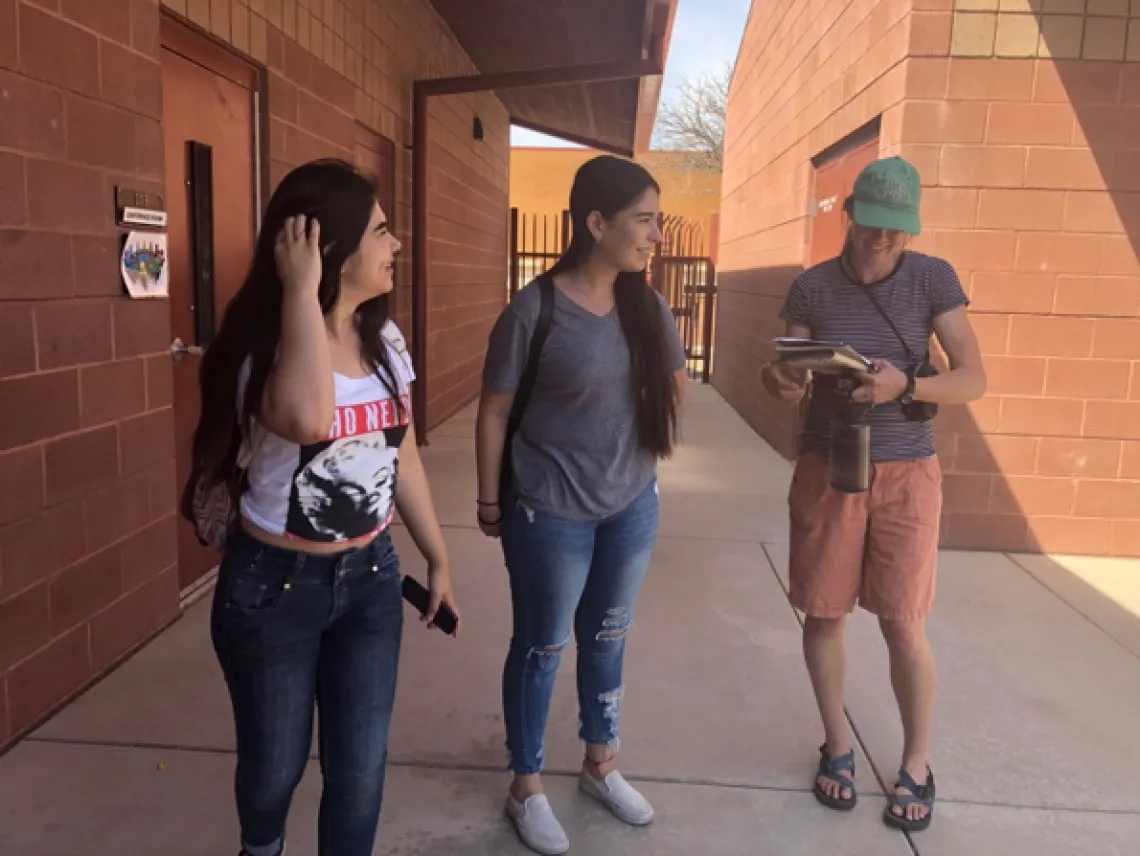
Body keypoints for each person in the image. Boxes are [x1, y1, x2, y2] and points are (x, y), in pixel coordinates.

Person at [184, 158, 459, 856]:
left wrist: (438, 553)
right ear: (327, 248)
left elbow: (403, 453)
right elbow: (308, 419)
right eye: (381, 231)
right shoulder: (266, 350)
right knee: (274, 772)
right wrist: (302, 293)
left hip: (369, 579)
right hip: (274, 588)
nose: (395, 246)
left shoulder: (385, 342)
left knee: (360, 775)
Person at [761, 156, 986, 833]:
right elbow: (782, 365)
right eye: (872, 226)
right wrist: (784, 381)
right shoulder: (811, 287)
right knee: (824, 613)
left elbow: (972, 377)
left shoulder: (933, 279)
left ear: (909, 230)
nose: (882, 240)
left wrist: (907, 387)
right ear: (850, 215)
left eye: (896, 230)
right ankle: (837, 745)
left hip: (907, 472)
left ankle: (916, 761)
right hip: (829, 463)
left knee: (902, 622)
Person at [475, 155, 687, 855]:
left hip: (630, 506)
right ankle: (526, 785)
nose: (657, 234)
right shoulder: (534, 309)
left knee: (608, 636)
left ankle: (601, 763)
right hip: (548, 509)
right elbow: (495, 410)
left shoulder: (648, 306)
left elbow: (674, 386)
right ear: (596, 223)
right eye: (645, 220)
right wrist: (488, 499)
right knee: (542, 646)